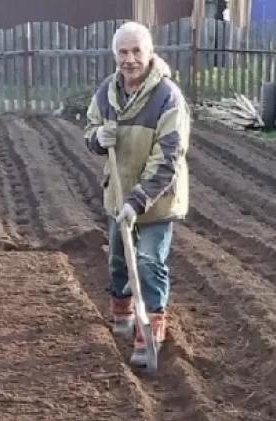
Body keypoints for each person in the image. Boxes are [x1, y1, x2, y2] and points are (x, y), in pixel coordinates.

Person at [83, 20, 190, 367]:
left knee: (147, 261)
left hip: (157, 200)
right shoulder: (107, 93)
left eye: (136, 51)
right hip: (118, 194)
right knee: (118, 260)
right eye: (122, 52)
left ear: (150, 53)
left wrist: (138, 200)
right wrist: (98, 138)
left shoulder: (167, 97)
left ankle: (152, 327)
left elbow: (168, 157)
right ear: (115, 55)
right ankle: (122, 311)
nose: (129, 59)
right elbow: (89, 131)